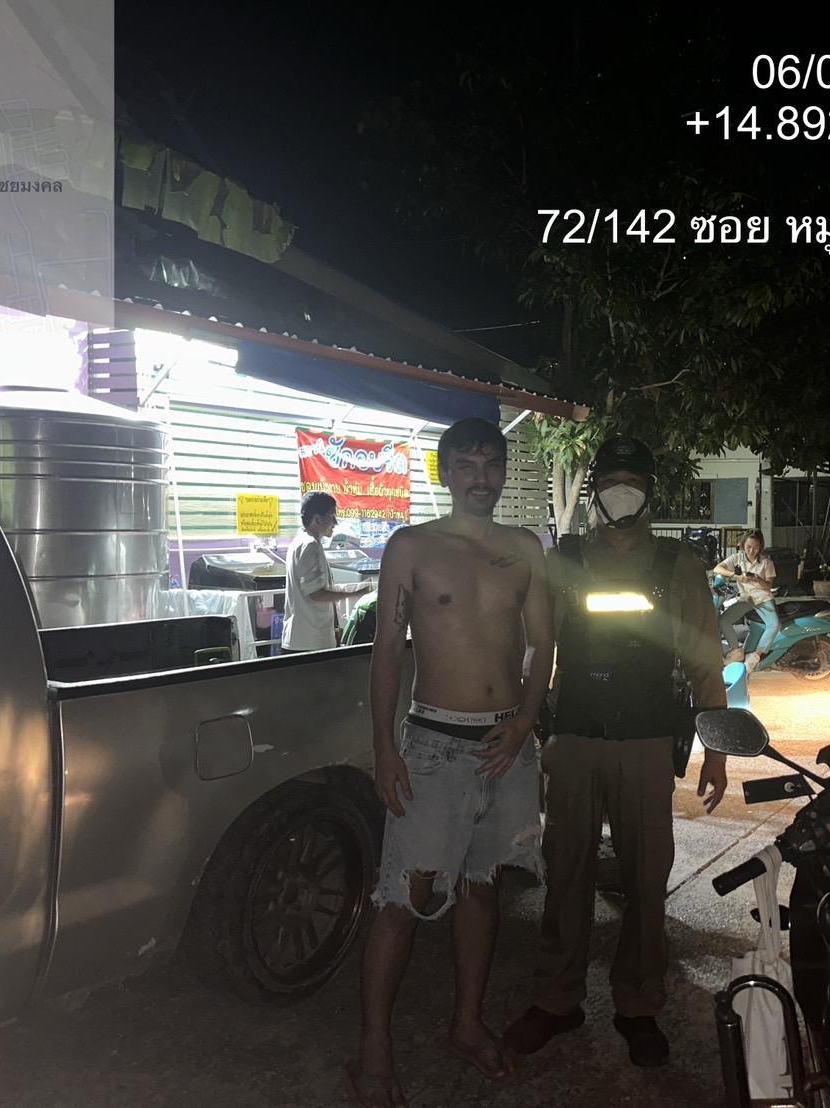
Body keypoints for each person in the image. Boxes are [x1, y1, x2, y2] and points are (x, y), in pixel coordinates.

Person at [344, 418, 553, 1108]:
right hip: (434, 744)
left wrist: (525, 720)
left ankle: (466, 1023)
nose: (480, 478)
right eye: (466, 464)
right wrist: (384, 747)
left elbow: (543, 642)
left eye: (491, 464)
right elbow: (386, 650)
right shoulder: (411, 547)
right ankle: (373, 1046)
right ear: (445, 473)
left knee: (482, 886)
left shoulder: (525, 549)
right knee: (405, 896)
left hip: (506, 745)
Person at [502, 435, 729, 1069]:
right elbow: (538, 649)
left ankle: (638, 1004)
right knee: (565, 873)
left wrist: (716, 746)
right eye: (610, 481)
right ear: (594, 490)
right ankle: (557, 999)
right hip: (574, 739)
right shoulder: (564, 559)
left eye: (633, 481)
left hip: (647, 743)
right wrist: (527, 723)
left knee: (646, 879)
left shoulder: (679, 565)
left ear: (651, 491)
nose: (620, 492)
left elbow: (704, 657)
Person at [282, 491, 376, 653]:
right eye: (332, 516)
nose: (335, 522)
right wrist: (356, 592)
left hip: (303, 638)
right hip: (311, 641)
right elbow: (316, 594)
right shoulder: (311, 546)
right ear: (317, 519)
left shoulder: (300, 542)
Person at [711, 529, 777, 660]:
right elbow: (717, 569)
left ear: (760, 547)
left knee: (774, 625)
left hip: (762, 599)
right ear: (743, 545)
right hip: (746, 599)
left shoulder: (766, 562)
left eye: (756, 547)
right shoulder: (737, 558)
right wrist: (736, 576)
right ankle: (736, 651)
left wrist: (757, 579)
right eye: (748, 547)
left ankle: (756, 655)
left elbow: (768, 586)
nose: (752, 551)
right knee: (723, 620)